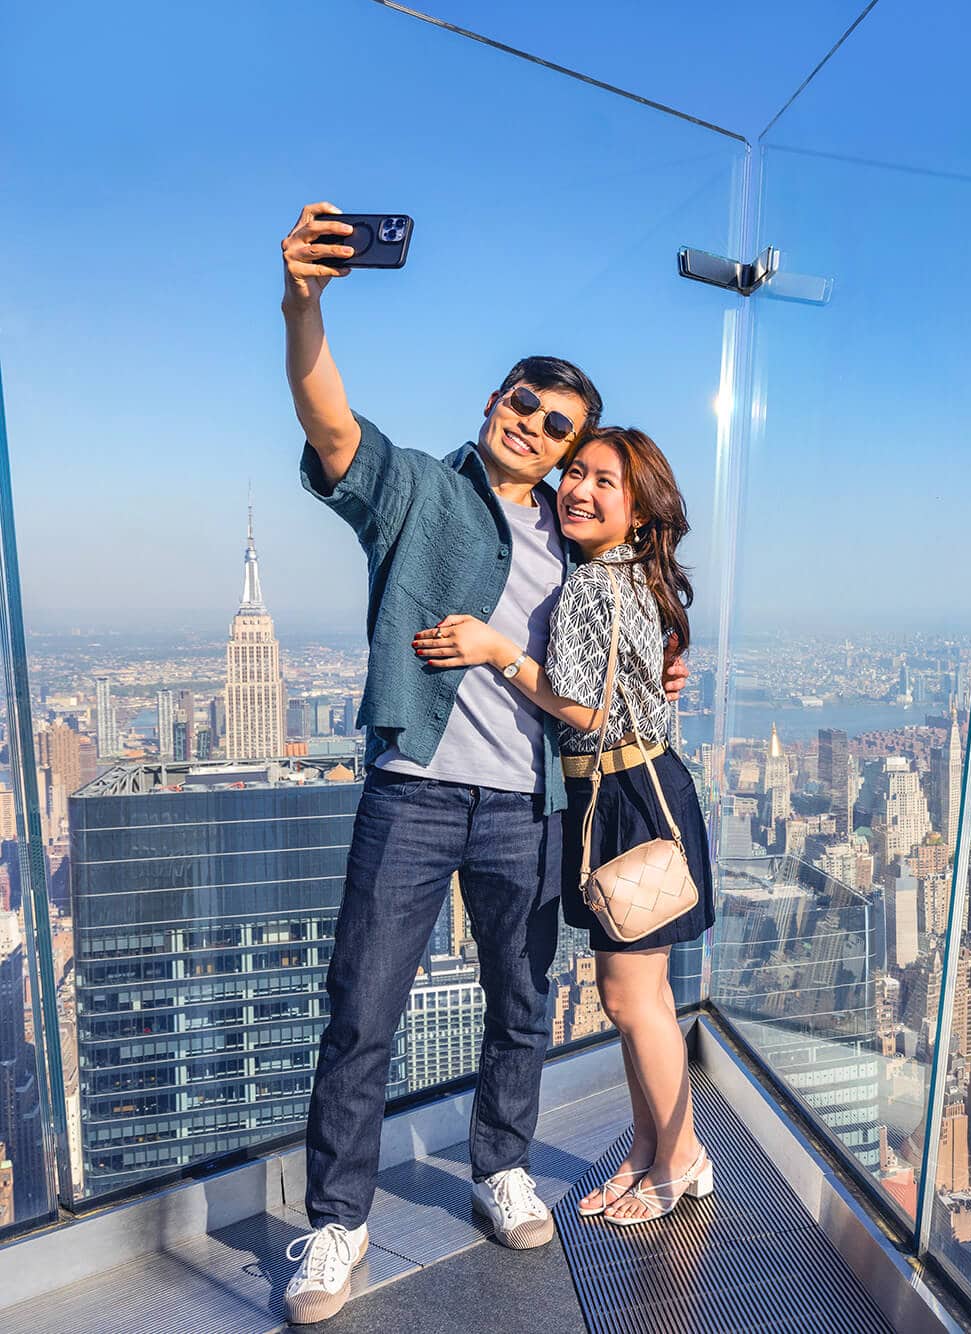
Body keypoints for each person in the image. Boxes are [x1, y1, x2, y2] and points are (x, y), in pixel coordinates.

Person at [277, 202, 688, 1324]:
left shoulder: (582, 533)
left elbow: (632, 630)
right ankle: (338, 1221)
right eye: (524, 402)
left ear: (568, 451)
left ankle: (499, 1162)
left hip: (529, 801)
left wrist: (667, 669)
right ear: (493, 403)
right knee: (361, 1007)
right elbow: (328, 427)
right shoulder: (416, 488)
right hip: (413, 790)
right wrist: (303, 301)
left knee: (522, 997)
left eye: (557, 426)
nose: (536, 428)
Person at [415, 425, 718, 1226]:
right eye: (575, 473)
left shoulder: (591, 584)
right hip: (639, 790)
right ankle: (652, 1149)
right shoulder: (623, 576)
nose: (579, 489)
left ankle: (680, 1157)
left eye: (604, 482)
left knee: (629, 1000)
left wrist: (494, 649)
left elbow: (582, 706)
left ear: (641, 515)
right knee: (640, 995)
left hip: (624, 796)